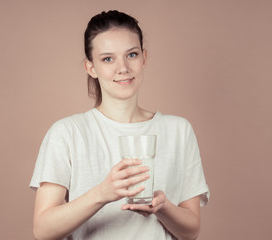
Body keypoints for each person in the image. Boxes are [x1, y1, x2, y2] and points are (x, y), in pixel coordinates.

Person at [29, 10, 209, 240]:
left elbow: (191, 231)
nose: (122, 68)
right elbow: (42, 230)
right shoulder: (67, 133)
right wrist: (102, 194)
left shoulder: (178, 130)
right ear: (91, 67)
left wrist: (164, 207)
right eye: (107, 58)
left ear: (144, 58)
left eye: (131, 55)